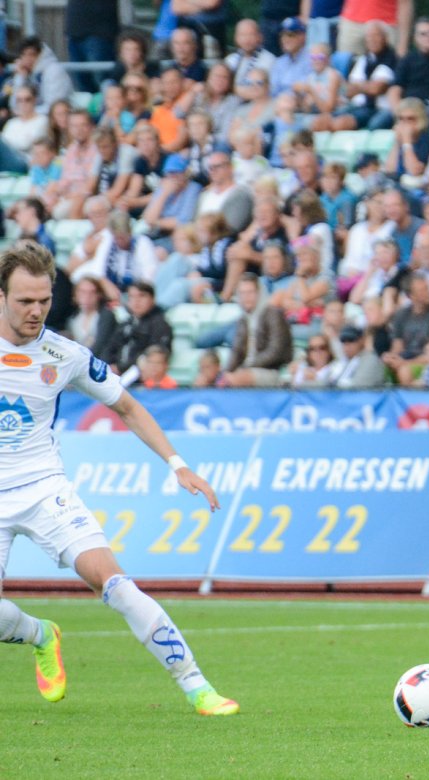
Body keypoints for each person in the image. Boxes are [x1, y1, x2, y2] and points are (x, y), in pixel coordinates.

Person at [0, 243, 237, 716]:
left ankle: (197, 686)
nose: (36, 310)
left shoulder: (63, 354)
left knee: (115, 583)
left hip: (45, 489)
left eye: (44, 300)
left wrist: (177, 464)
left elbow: (126, 406)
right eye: (25, 300)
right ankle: (41, 634)